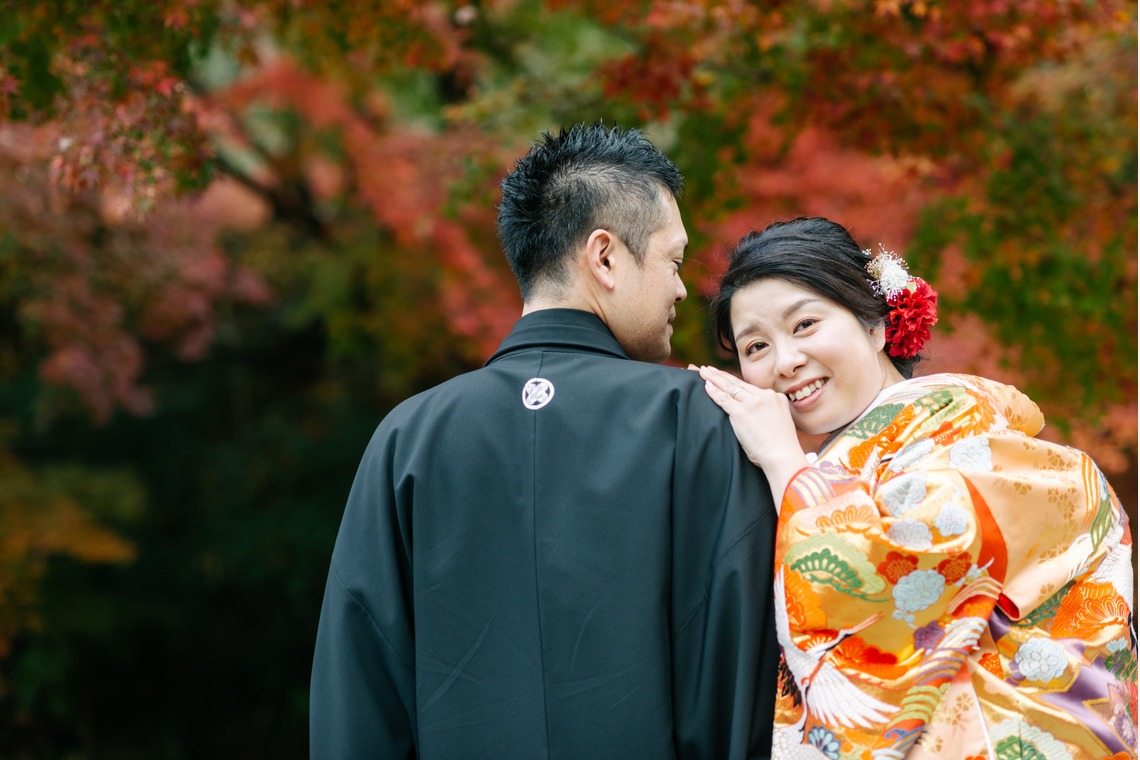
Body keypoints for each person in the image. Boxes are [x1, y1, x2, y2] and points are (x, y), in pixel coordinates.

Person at [309, 123, 780, 759]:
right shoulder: (702, 418)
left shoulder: (407, 438)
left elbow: (361, 686)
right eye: (673, 261)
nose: (680, 287)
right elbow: (737, 668)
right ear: (605, 257)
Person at [698, 216, 1137, 759]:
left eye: (805, 324)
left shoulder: (963, 428)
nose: (785, 362)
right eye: (756, 347)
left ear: (875, 325)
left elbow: (885, 574)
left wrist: (784, 461)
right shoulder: (842, 464)